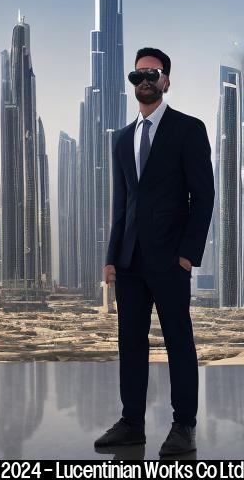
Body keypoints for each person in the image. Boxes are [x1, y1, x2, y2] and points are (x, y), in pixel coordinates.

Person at [94, 47, 214, 457]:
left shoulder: (188, 129)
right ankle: (132, 422)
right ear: (133, 82)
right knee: (131, 342)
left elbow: (204, 196)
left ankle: (184, 426)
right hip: (129, 260)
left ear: (166, 81)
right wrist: (111, 256)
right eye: (138, 74)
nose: (145, 79)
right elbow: (122, 202)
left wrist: (188, 255)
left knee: (179, 340)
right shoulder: (122, 138)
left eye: (154, 73)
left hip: (170, 258)